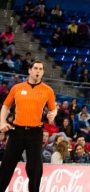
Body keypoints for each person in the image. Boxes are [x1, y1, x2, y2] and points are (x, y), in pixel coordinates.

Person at [0, 60, 57, 192]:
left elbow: (53, 109)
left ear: (42, 72)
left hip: (35, 133)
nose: (38, 71)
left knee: (35, 169)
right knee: (6, 167)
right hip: (17, 131)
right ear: (29, 70)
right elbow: (6, 106)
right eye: (35, 68)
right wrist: (2, 122)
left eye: (41, 69)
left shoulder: (48, 90)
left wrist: (52, 115)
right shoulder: (17, 88)